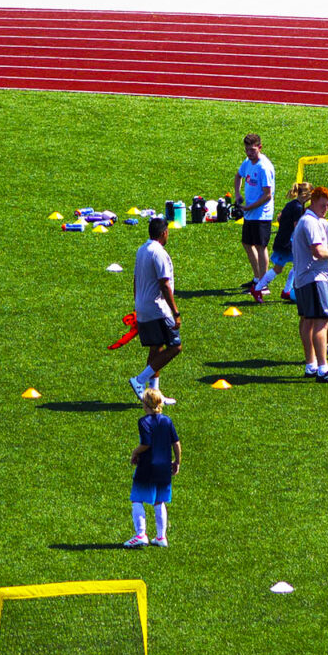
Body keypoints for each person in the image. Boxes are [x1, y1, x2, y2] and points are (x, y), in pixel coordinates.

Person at [291, 186, 328, 383]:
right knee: (321, 321)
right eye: (323, 205)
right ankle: (323, 370)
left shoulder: (317, 221)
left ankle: (311, 366)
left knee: (310, 320)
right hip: (313, 278)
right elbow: (318, 251)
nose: (326, 209)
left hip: (311, 277)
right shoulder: (310, 222)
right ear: (313, 202)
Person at [130, 217, 182, 404]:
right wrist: (175, 312)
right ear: (164, 233)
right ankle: (139, 380)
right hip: (158, 309)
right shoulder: (159, 253)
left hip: (143, 306)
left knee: (157, 347)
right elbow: (164, 284)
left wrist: (137, 305)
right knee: (175, 347)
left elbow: (135, 279)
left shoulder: (141, 250)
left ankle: (154, 395)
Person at [125, 388, 180, 547]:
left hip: (148, 466)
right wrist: (177, 462)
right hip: (164, 467)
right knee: (159, 501)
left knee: (137, 499)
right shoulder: (167, 421)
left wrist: (135, 452)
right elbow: (176, 443)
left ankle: (141, 534)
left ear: (145, 404)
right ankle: (161, 537)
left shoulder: (143, 422)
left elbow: (146, 444)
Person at [252, 182, 313, 303]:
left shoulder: (293, 204)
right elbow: (298, 227)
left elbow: (281, 218)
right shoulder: (298, 208)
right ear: (306, 195)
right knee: (278, 269)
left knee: (298, 265)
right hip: (286, 243)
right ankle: (257, 289)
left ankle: (286, 291)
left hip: (285, 241)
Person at [233, 133, 276, 293]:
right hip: (250, 213)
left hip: (262, 214)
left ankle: (263, 284)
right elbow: (238, 176)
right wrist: (237, 194)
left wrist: (250, 207)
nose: (249, 153)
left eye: (252, 150)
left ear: (260, 147)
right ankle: (257, 278)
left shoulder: (264, 167)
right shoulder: (247, 162)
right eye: (247, 150)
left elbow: (267, 195)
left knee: (260, 246)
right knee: (246, 243)